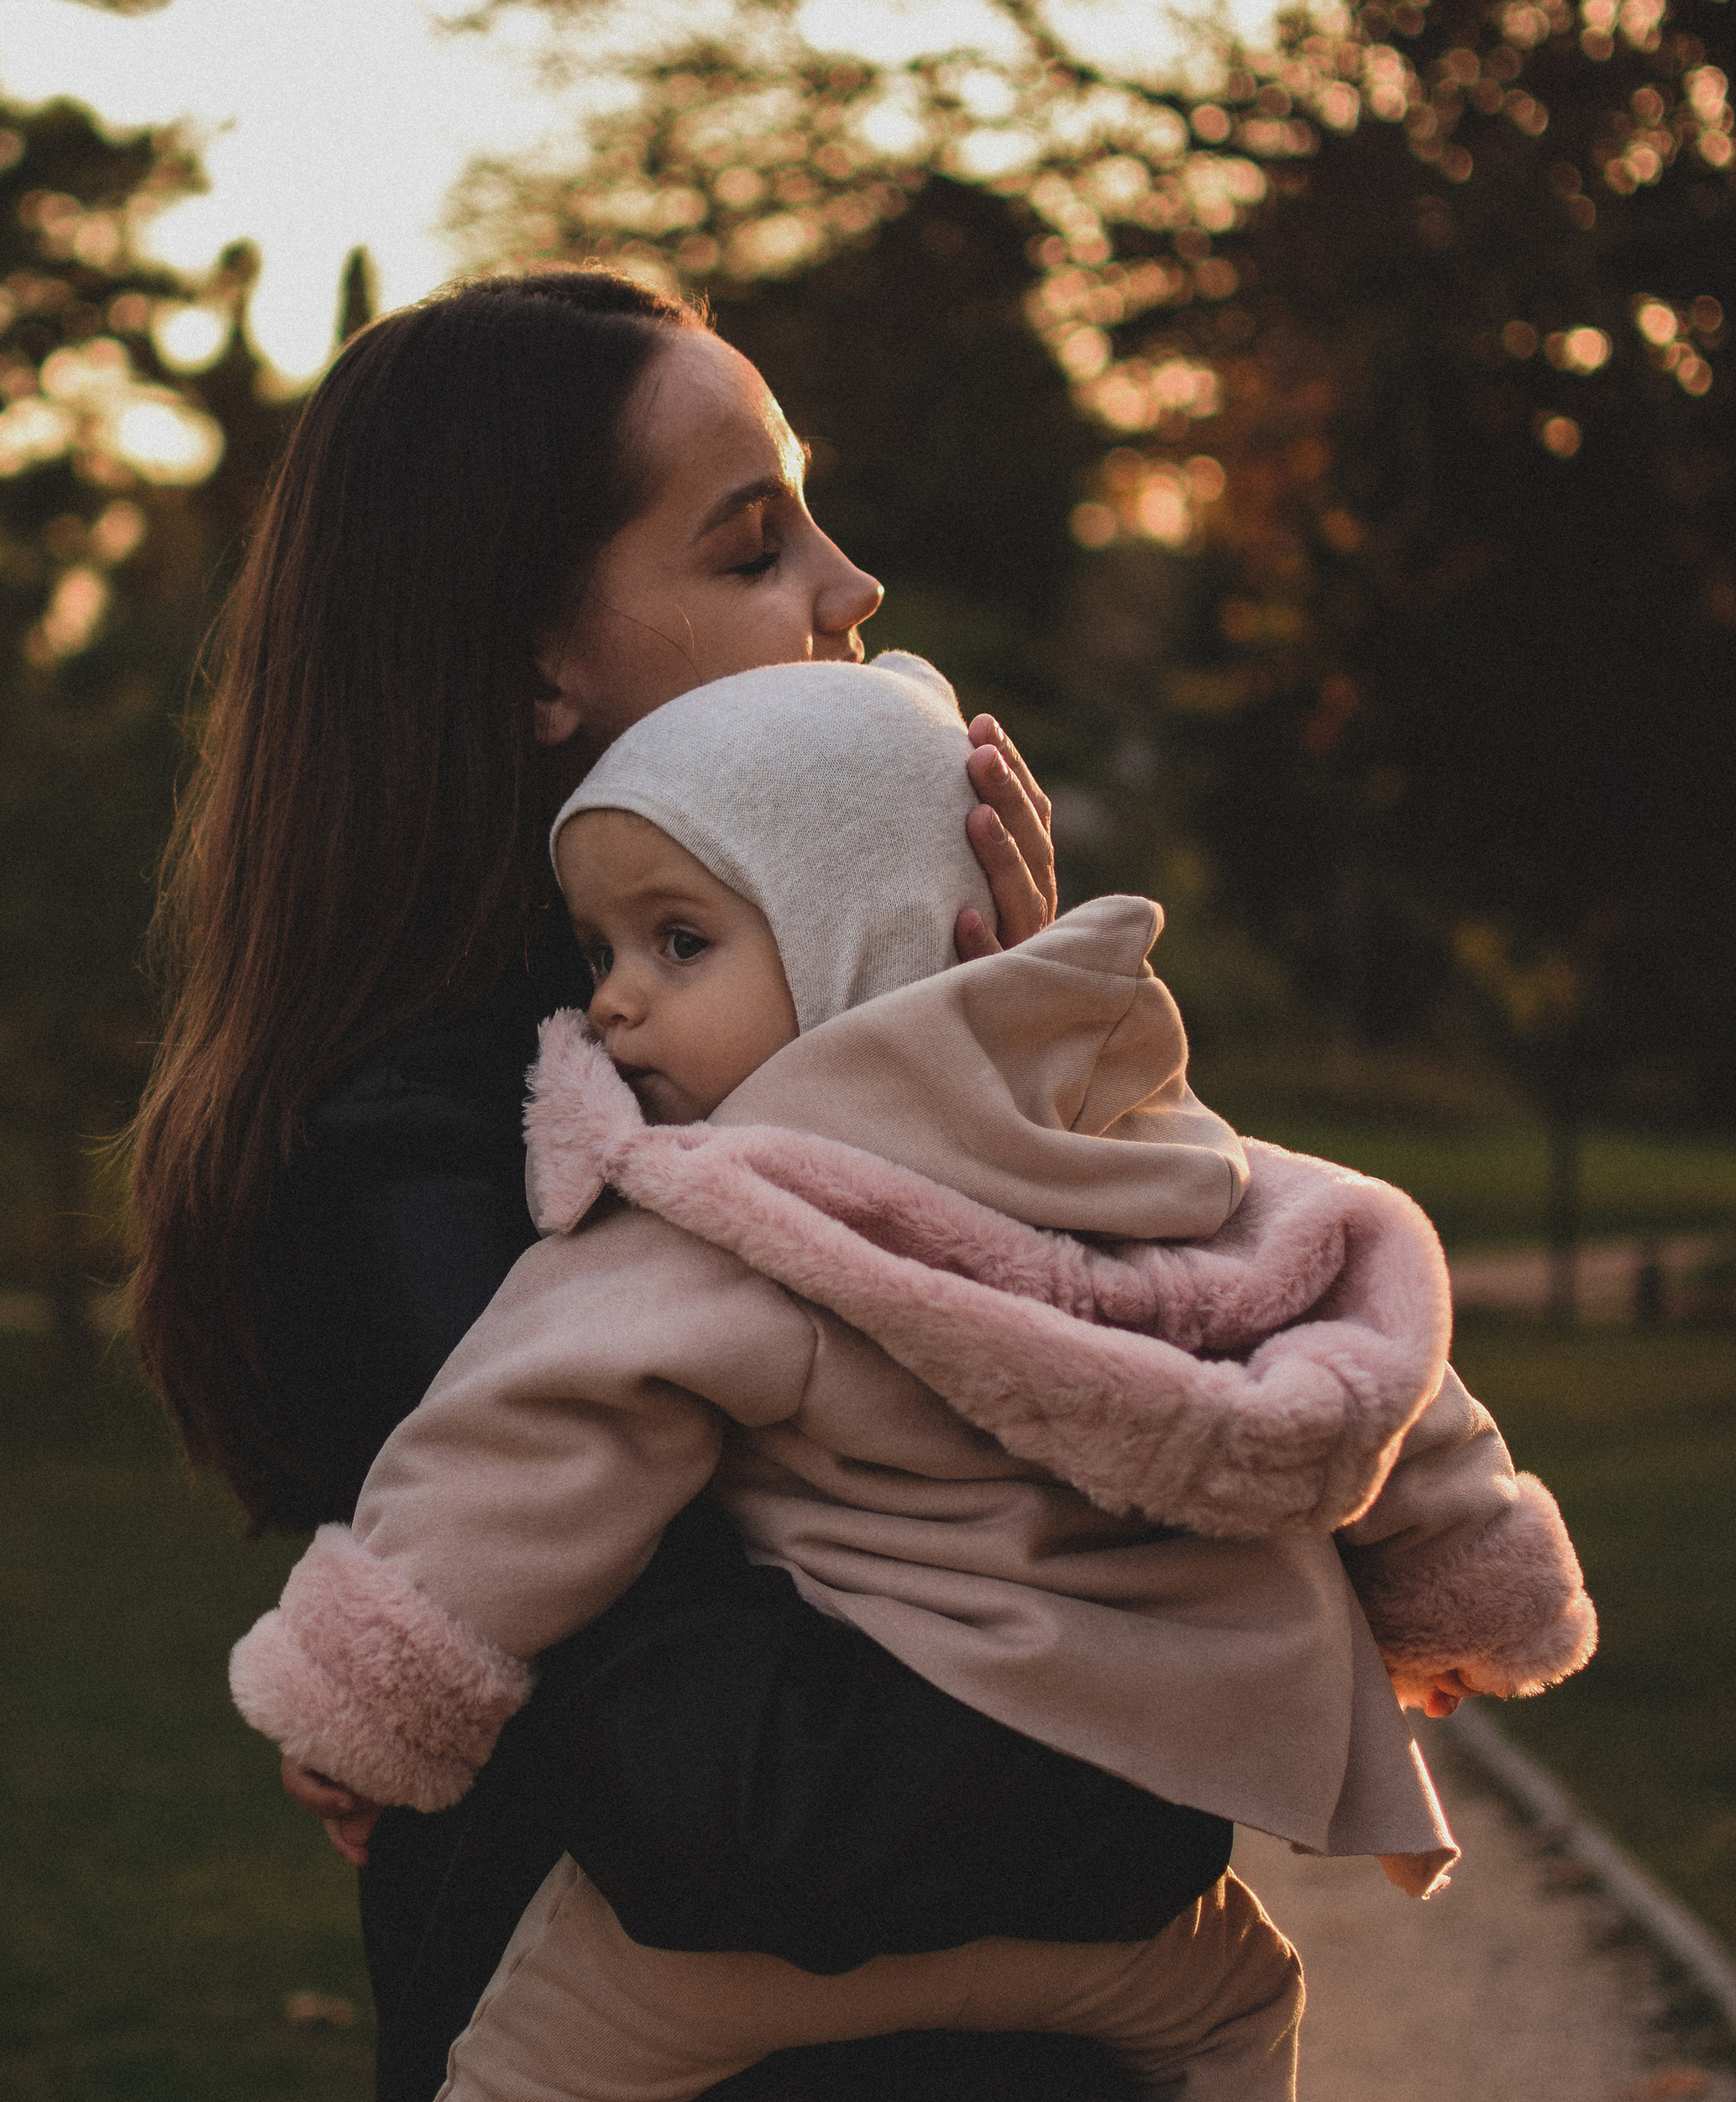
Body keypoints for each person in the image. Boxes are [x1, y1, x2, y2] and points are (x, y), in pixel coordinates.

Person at [231, 656, 1599, 2101]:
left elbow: (528, 1447)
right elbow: (1373, 1350)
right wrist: (1467, 1593)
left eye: (679, 942)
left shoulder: (729, 1217)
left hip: (737, 1949)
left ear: (855, 941)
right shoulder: (1142, 1159)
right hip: (1129, 1900)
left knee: (515, 2071)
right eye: (601, 955)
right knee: (1244, 2011)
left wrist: (367, 1703)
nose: (619, 1006)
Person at [131, 268, 1158, 2101]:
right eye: (754, 544)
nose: (853, 589)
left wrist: (1008, 1055)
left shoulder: (808, 1065)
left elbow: (1170, 1396)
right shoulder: (430, 1168)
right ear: (533, 664)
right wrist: (1186, 1735)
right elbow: (755, 1814)